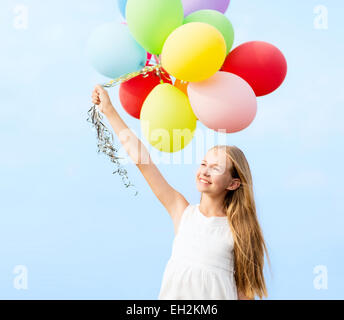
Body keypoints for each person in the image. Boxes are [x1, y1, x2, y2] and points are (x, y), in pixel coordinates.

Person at [91, 85, 270, 300]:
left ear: (233, 184)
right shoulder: (182, 211)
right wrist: (109, 110)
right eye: (204, 164)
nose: (205, 172)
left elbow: (244, 294)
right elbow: (142, 161)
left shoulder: (238, 230)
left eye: (216, 168)